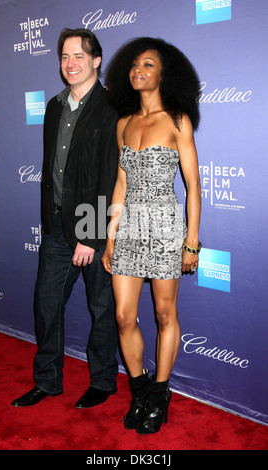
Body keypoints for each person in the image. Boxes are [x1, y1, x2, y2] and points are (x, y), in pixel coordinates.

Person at [12, 28, 119, 408]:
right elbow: (53, 169)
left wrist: (90, 236)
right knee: (46, 303)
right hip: (57, 225)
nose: (70, 64)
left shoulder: (111, 108)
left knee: (102, 307)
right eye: (64, 57)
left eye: (78, 56)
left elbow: (109, 174)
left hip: (96, 228)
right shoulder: (55, 106)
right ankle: (47, 381)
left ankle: (104, 382)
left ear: (96, 60)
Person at [102, 37, 201, 434]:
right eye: (134, 65)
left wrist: (191, 242)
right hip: (127, 230)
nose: (138, 71)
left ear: (164, 73)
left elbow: (193, 185)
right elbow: (121, 185)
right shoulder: (124, 123)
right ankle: (140, 390)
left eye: (148, 65)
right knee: (124, 317)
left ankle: (161, 394)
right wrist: (109, 236)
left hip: (164, 226)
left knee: (164, 315)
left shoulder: (177, 120)